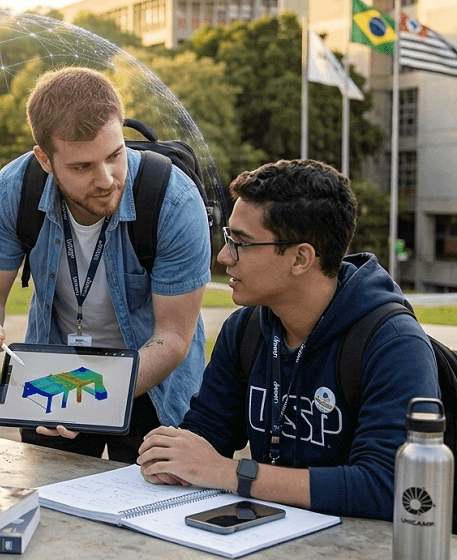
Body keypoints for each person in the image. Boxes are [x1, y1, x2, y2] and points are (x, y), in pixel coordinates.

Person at [136, 159, 440, 520]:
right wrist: (169, 455)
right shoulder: (245, 330)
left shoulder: (393, 344)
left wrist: (230, 473)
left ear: (300, 258)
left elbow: (390, 486)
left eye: (241, 243)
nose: (223, 256)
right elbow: (204, 438)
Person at [0, 67, 211, 463]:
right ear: (44, 159)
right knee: (53, 511)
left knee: (146, 515)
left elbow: (174, 337)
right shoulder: (14, 189)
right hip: (56, 375)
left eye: (115, 155)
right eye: (82, 167)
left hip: (153, 382)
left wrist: (95, 395)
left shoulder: (173, 200)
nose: (107, 179)